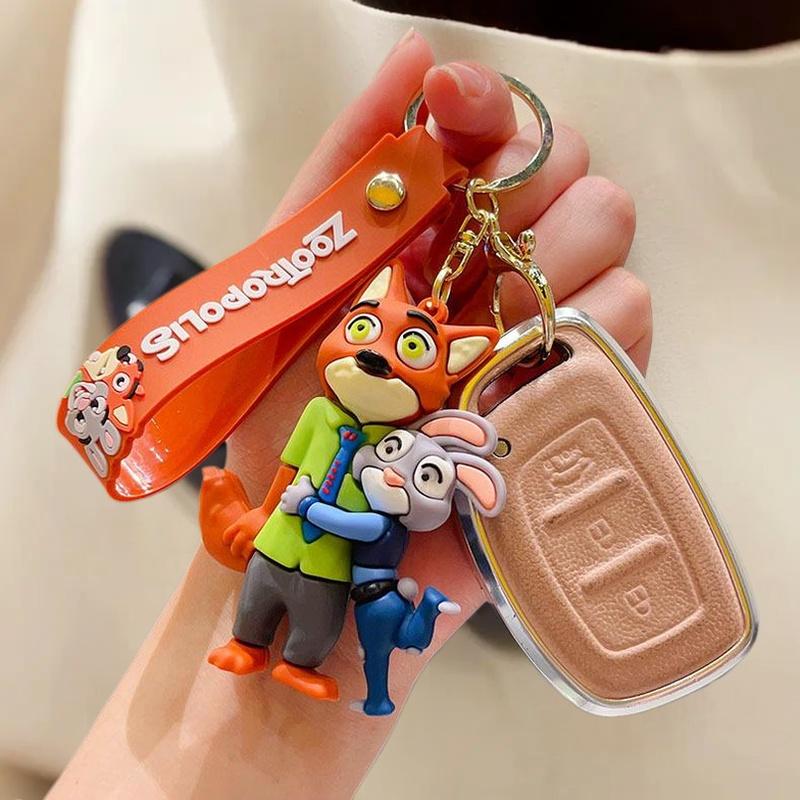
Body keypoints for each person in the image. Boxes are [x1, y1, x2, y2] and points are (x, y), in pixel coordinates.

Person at [47, 29, 650, 799]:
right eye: (366, 330)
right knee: (259, 601)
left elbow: (373, 523)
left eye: (407, 351)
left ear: (452, 367)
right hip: (278, 543)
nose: (374, 360)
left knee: (315, 622)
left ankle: (314, 653)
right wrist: (255, 506)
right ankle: (247, 641)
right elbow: (287, 472)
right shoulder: (325, 422)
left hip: (335, 563)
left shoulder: (382, 455)